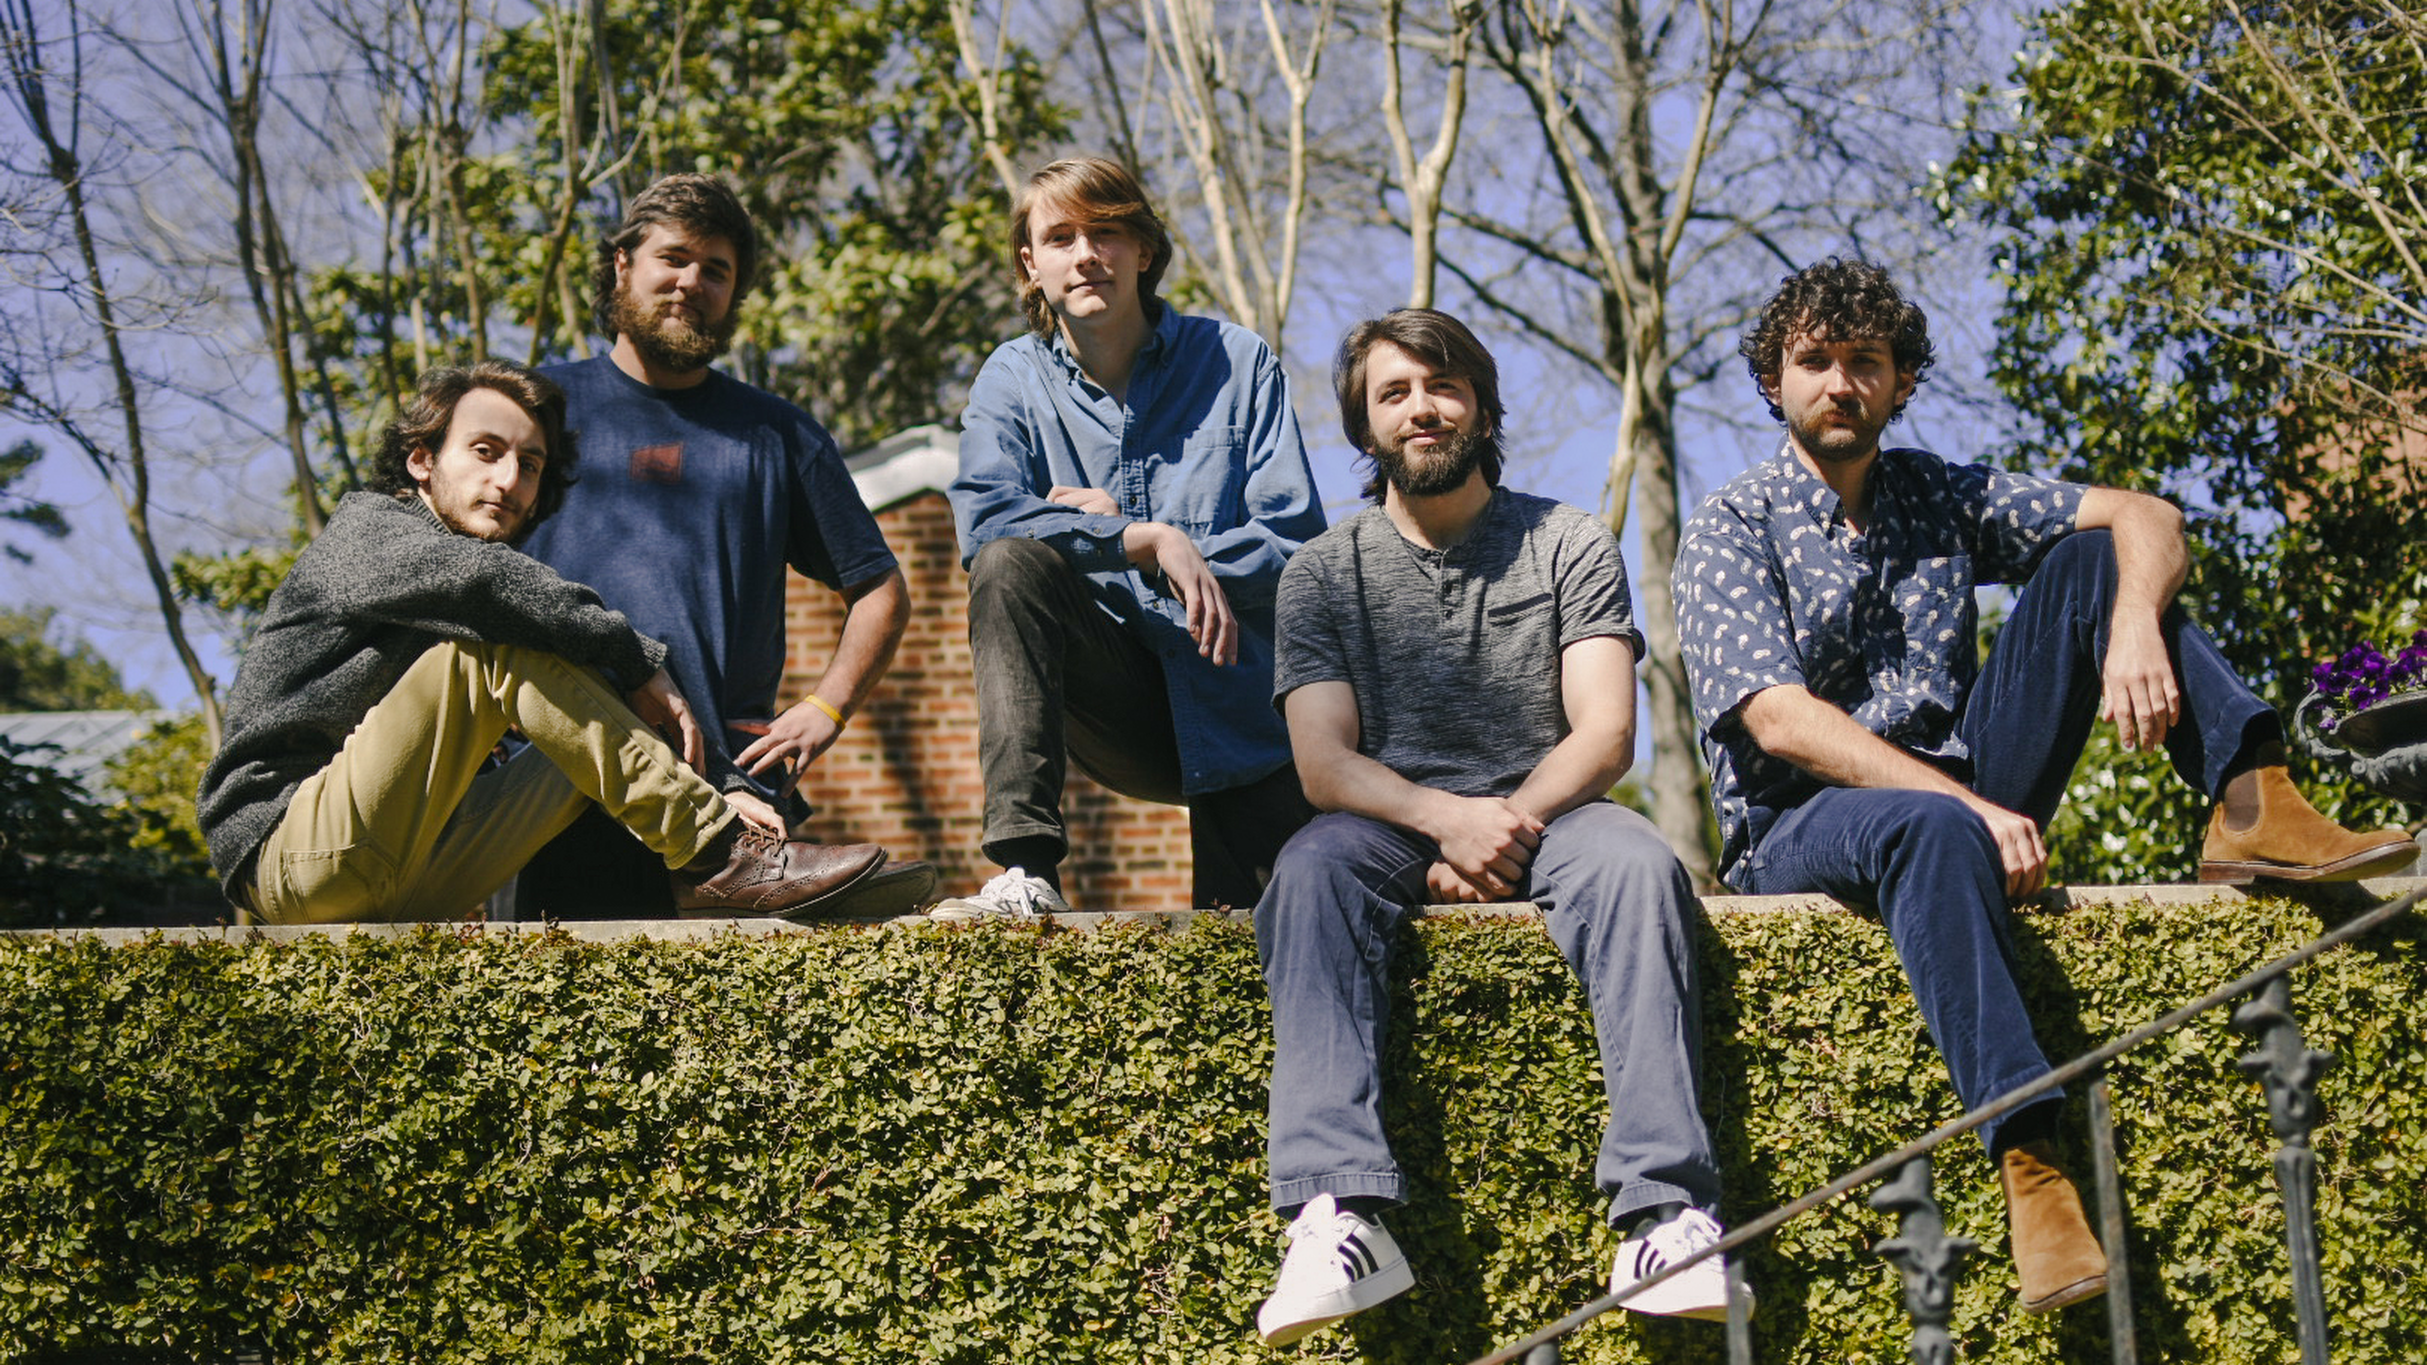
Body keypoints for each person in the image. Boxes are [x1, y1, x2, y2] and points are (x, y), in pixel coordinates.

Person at [1673, 257, 2417, 1313]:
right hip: (1802, 824)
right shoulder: (1732, 525)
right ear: (1775, 382)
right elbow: (1776, 719)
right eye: (1814, 361)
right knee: (1928, 829)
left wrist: (2127, 634)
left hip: (1965, 780)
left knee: (2095, 560)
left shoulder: (1936, 492)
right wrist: (1967, 809)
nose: (1839, 381)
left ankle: (2253, 802)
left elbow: (2150, 514)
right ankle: (2031, 1161)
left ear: (1900, 382)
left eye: (1865, 362)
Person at [1252, 309, 1735, 1345]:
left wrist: (1501, 827)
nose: (1421, 409)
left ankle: (1664, 1216)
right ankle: (1335, 1214)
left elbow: (1606, 733)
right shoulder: (1322, 573)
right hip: (1387, 821)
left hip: (1555, 808)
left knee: (1642, 867)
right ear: (1364, 422)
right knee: (1307, 875)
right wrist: (1443, 822)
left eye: (1442, 386)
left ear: (1480, 405)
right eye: (1394, 393)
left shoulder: (1566, 541)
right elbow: (1324, 764)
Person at [196, 362, 887, 925]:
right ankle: (716, 851)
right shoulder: (369, 532)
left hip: (406, 874)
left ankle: (707, 857)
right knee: (500, 648)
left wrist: (719, 776)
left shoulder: (445, 585)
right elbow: (489, 584)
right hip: (290, 854)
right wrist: (636, 657)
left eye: (529, 465)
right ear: (419, 460)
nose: (508, 480)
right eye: (485, 452)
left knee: (582, 732)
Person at [516, 173, 918, 917]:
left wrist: (824, 712)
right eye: (673, 258)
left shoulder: (776, 432)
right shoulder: (535, 409)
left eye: (716, 270)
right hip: (551, 791)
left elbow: (880, 589)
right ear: (621, 265)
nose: (691, 282)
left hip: (730, 812)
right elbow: (460, 565)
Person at [936, 156, 1325, 918]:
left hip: (1237, 703)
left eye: (1106, 232)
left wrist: (1180, 546)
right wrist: (1129, 538)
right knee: (1011, 563)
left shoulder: (1236, 363)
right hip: (1116, 700)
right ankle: (1026, 869)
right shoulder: (1012, 379)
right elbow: (983, 515)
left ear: (1142, 250)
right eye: (1060, 238)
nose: (1085, 255)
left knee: (1260, 953)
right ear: (1032, 265)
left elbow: (1294, 547)